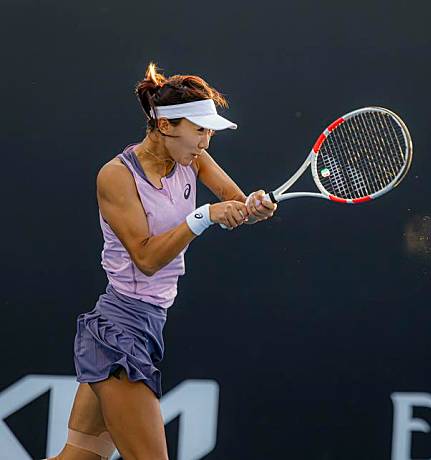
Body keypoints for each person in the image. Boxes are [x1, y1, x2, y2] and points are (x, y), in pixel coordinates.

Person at [48, 63, 276, 460]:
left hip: (147, 324)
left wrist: (252, 206)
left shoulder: (192, 159)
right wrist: (205, 216)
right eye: (199, 130)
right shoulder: (116, 176)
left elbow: (235, 204)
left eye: (209, 132)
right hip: (120, 333)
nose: (206, 142)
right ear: (166, 126)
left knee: (78, 458)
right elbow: (146, 258)